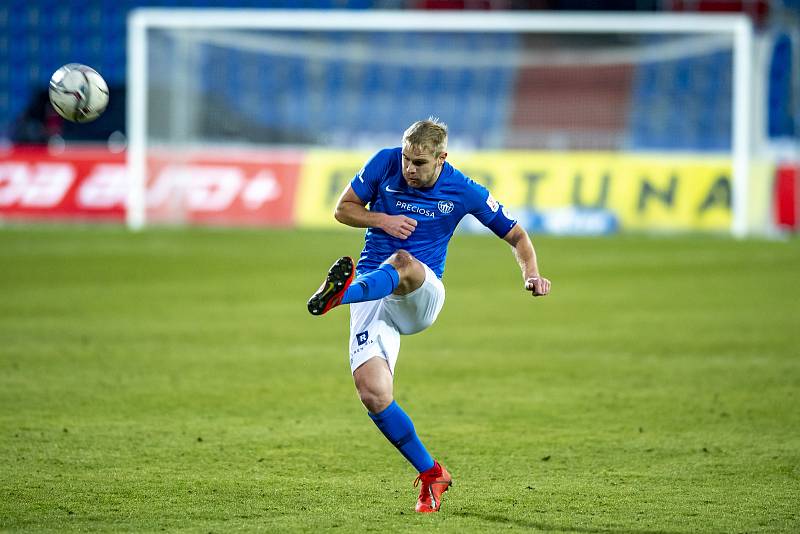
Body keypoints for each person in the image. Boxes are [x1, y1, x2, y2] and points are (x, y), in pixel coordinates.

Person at [307, 118, 551, 513]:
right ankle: (431, 474)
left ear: (442, 158)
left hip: (421, 292)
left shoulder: (464, 189)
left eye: (419, 163)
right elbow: (343, 209)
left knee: (403, 260)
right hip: (375, 291)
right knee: (373, 394)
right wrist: (381, 219)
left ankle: (338, 295)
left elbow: (517, 236)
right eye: (406, 159)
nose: (409, 169)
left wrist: (532, 275)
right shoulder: (384, 164)